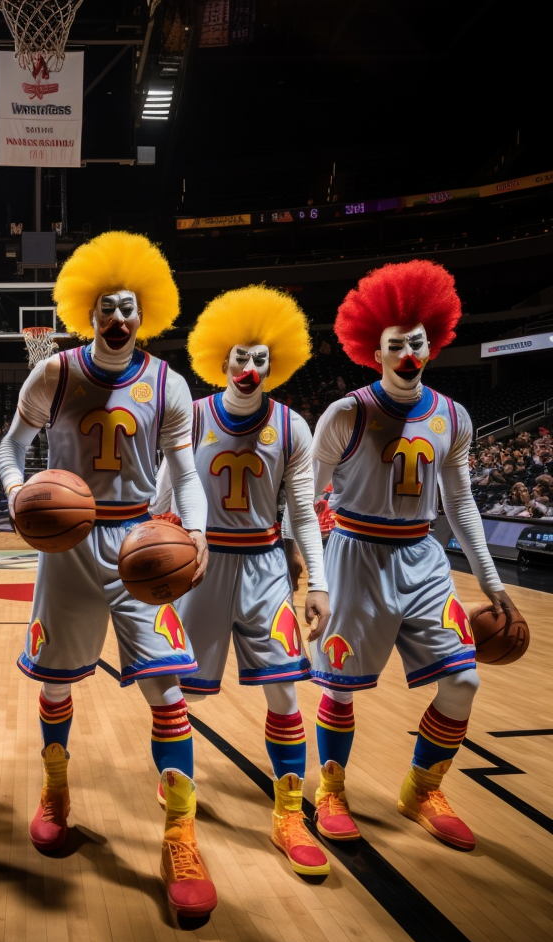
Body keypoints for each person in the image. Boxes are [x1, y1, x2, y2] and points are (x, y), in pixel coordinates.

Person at [0, 231, 215, 923]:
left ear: (143, 313)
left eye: (129, 307)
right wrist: (15, 493)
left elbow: (185, 471)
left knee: (167, 687)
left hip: (141, 543)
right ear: (86, 314)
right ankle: (55, 789)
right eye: (105, 308)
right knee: (58, 680)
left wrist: (199, 532)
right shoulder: (53, 373)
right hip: (68, 542)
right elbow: (11, 448)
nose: (118, 318)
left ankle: (180, 832)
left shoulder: (169, 382)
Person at [310, 260, 521, 851]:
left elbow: (461, 504)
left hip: (423, 557)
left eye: (417, 342)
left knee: (464, 681)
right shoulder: (346, 412)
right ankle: (331, 787)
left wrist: (493, 584)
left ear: (435, 342)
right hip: (355, 553)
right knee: (342, 687)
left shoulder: (453, 416)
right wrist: (301, 567)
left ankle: (422, 786)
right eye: (395, 345)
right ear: (373, 351)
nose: (408, 353)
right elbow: (306, 494)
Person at [152, 285, 331, 879]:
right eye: (240, 358)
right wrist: (147, 554)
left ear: (273, 363)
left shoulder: (293, 426)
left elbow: (303, 512)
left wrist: (320, 586)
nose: (250, 368)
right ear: (220, 361)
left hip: (263, 567)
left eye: (260, 359)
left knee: (285, 689)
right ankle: (178, 813)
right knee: (187, 696)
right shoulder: (193, 415)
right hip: (199, 568)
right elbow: (160, 499)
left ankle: (288, 815)